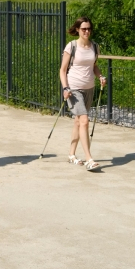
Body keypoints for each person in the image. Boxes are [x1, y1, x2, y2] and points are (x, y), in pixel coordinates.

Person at [59, 16, 106, 171]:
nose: (87, 31)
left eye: (89, 28)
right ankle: (89, 159)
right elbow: (63, 70)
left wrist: (100, 76)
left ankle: (71, 154)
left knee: (78, 122)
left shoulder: (94, 46)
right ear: (78, 29)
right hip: (73, 88)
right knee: (85, 121)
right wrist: (65, 88)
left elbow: (94, 66)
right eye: (84, 29)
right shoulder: (71, 46)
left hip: (89, 87)